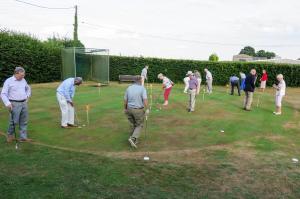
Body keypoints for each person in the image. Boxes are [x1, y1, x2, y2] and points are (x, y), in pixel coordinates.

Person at [1, 67, 31, 142]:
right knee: (13, 121)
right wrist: (7, 103)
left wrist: (27, 95)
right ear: (16, 73)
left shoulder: (23, 80)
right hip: (14, 103)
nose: (23, 77)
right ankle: (9, 135)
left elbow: (28, 88)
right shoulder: (9, 81)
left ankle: (23, 137)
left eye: (23, 75)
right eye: (21, 75)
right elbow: (3, 94)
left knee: (24, 121)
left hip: (24, 103)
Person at [124, 75, 149, 148]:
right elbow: (145, 99)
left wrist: (125, 109)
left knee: (133, 124)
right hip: (138, 110)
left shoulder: (129, 88)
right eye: (141, 80)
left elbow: (125, 100)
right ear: (140, 81)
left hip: (129, 109)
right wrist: (147, 108)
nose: (142, 81)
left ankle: (134, 139)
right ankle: (133, 138)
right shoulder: (142, 88)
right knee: (139, 124)